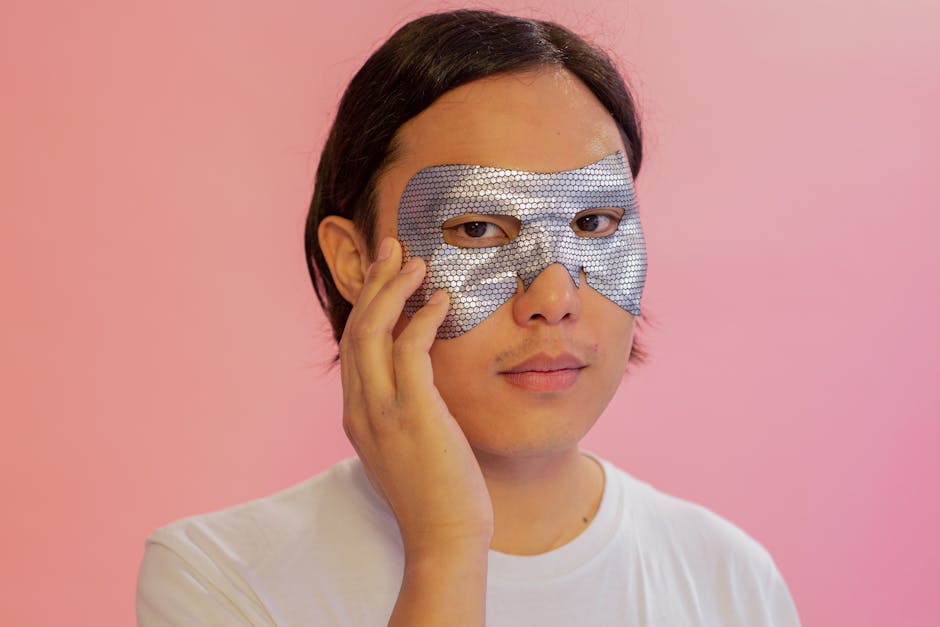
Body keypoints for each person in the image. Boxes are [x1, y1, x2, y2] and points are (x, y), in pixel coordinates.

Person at [137, 9, 801, 626]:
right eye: (478, 227)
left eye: (592, 221)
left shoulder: (731, 582)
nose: (553, 296)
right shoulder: (219, 577)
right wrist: (445, 549)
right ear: (352, 258)